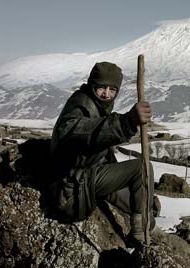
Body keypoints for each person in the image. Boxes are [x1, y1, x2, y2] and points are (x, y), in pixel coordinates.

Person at [49, 62, 155, 246]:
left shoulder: (97, 105)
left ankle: (144, 220)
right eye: (101, 88)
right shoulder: (81, 105)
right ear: (92, 85)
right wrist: (126, 122)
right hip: (73, 185)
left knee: (147, 208)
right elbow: (77, 132)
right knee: (142, 166)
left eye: (112, 89)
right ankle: (139, 235)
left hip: (88, 176)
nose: (106, 94)